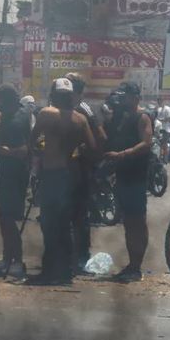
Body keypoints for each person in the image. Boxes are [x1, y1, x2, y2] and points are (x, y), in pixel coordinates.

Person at [28, 78, 96, 285]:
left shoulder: (47, 114)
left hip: (52, 174)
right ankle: (66, 270)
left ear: (54, 96)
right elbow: (92, 148)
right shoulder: (80, 120)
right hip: (72, 176)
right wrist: (73, 153)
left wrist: (42, 150)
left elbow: (32, 141)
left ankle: (50, 271)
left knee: (49, 224)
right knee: (65, 225)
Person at [103, 82, 152, 283]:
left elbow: (146, 143)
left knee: (136, 222)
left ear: (135, 97)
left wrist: (122, 155)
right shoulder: (121, 116)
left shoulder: (142, 117)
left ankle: (135, 266)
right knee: (129, 223)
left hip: (136, 175)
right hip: (123, 175)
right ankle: (132, 265)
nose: (122, 100)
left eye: (125, 97)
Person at [0, 84, 31, 280]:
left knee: (9, 219)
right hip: (6, 173)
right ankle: (7, 258)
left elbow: (20, 152)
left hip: (15, 175)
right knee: (3, 216)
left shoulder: (17, 120)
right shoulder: (11, 116)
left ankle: (17, 261)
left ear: (7, 101)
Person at [65, 72, 105, 275]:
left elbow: (101, 137)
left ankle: (82, 258)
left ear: (78, 92)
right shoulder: (60, 107)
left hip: (81, 170)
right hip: (61, 170)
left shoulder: (84, 109)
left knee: (80, 216)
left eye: (68, 89)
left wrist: (84, 152)